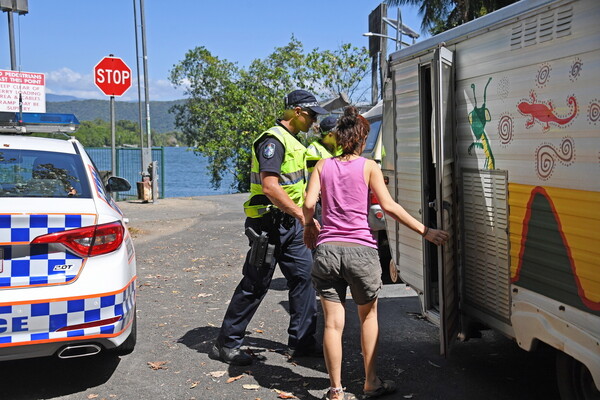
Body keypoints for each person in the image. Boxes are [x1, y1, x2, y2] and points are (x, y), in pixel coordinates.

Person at [303, 106, 449, 400]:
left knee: (332, 322)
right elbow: (389, 207)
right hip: (361, 252)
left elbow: (308, 205)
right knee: (368, 318)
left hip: (328, 251)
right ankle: (370, 383)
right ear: (360, 139)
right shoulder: (369, 167)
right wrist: (426, 231)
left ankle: (335, 390)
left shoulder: (322, 166)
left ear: (339, 139)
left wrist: (309, 228)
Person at [210, 89, 329, 366]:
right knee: (256, 284)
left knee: (305, 279)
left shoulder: (295, 142)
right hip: (269, 225)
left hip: (292, 225)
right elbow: (270, 186)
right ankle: (226, 344)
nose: (314, 123)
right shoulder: (272, 140)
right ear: (297, 112)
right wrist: (303, 216)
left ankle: (302, 343)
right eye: (311, 116)